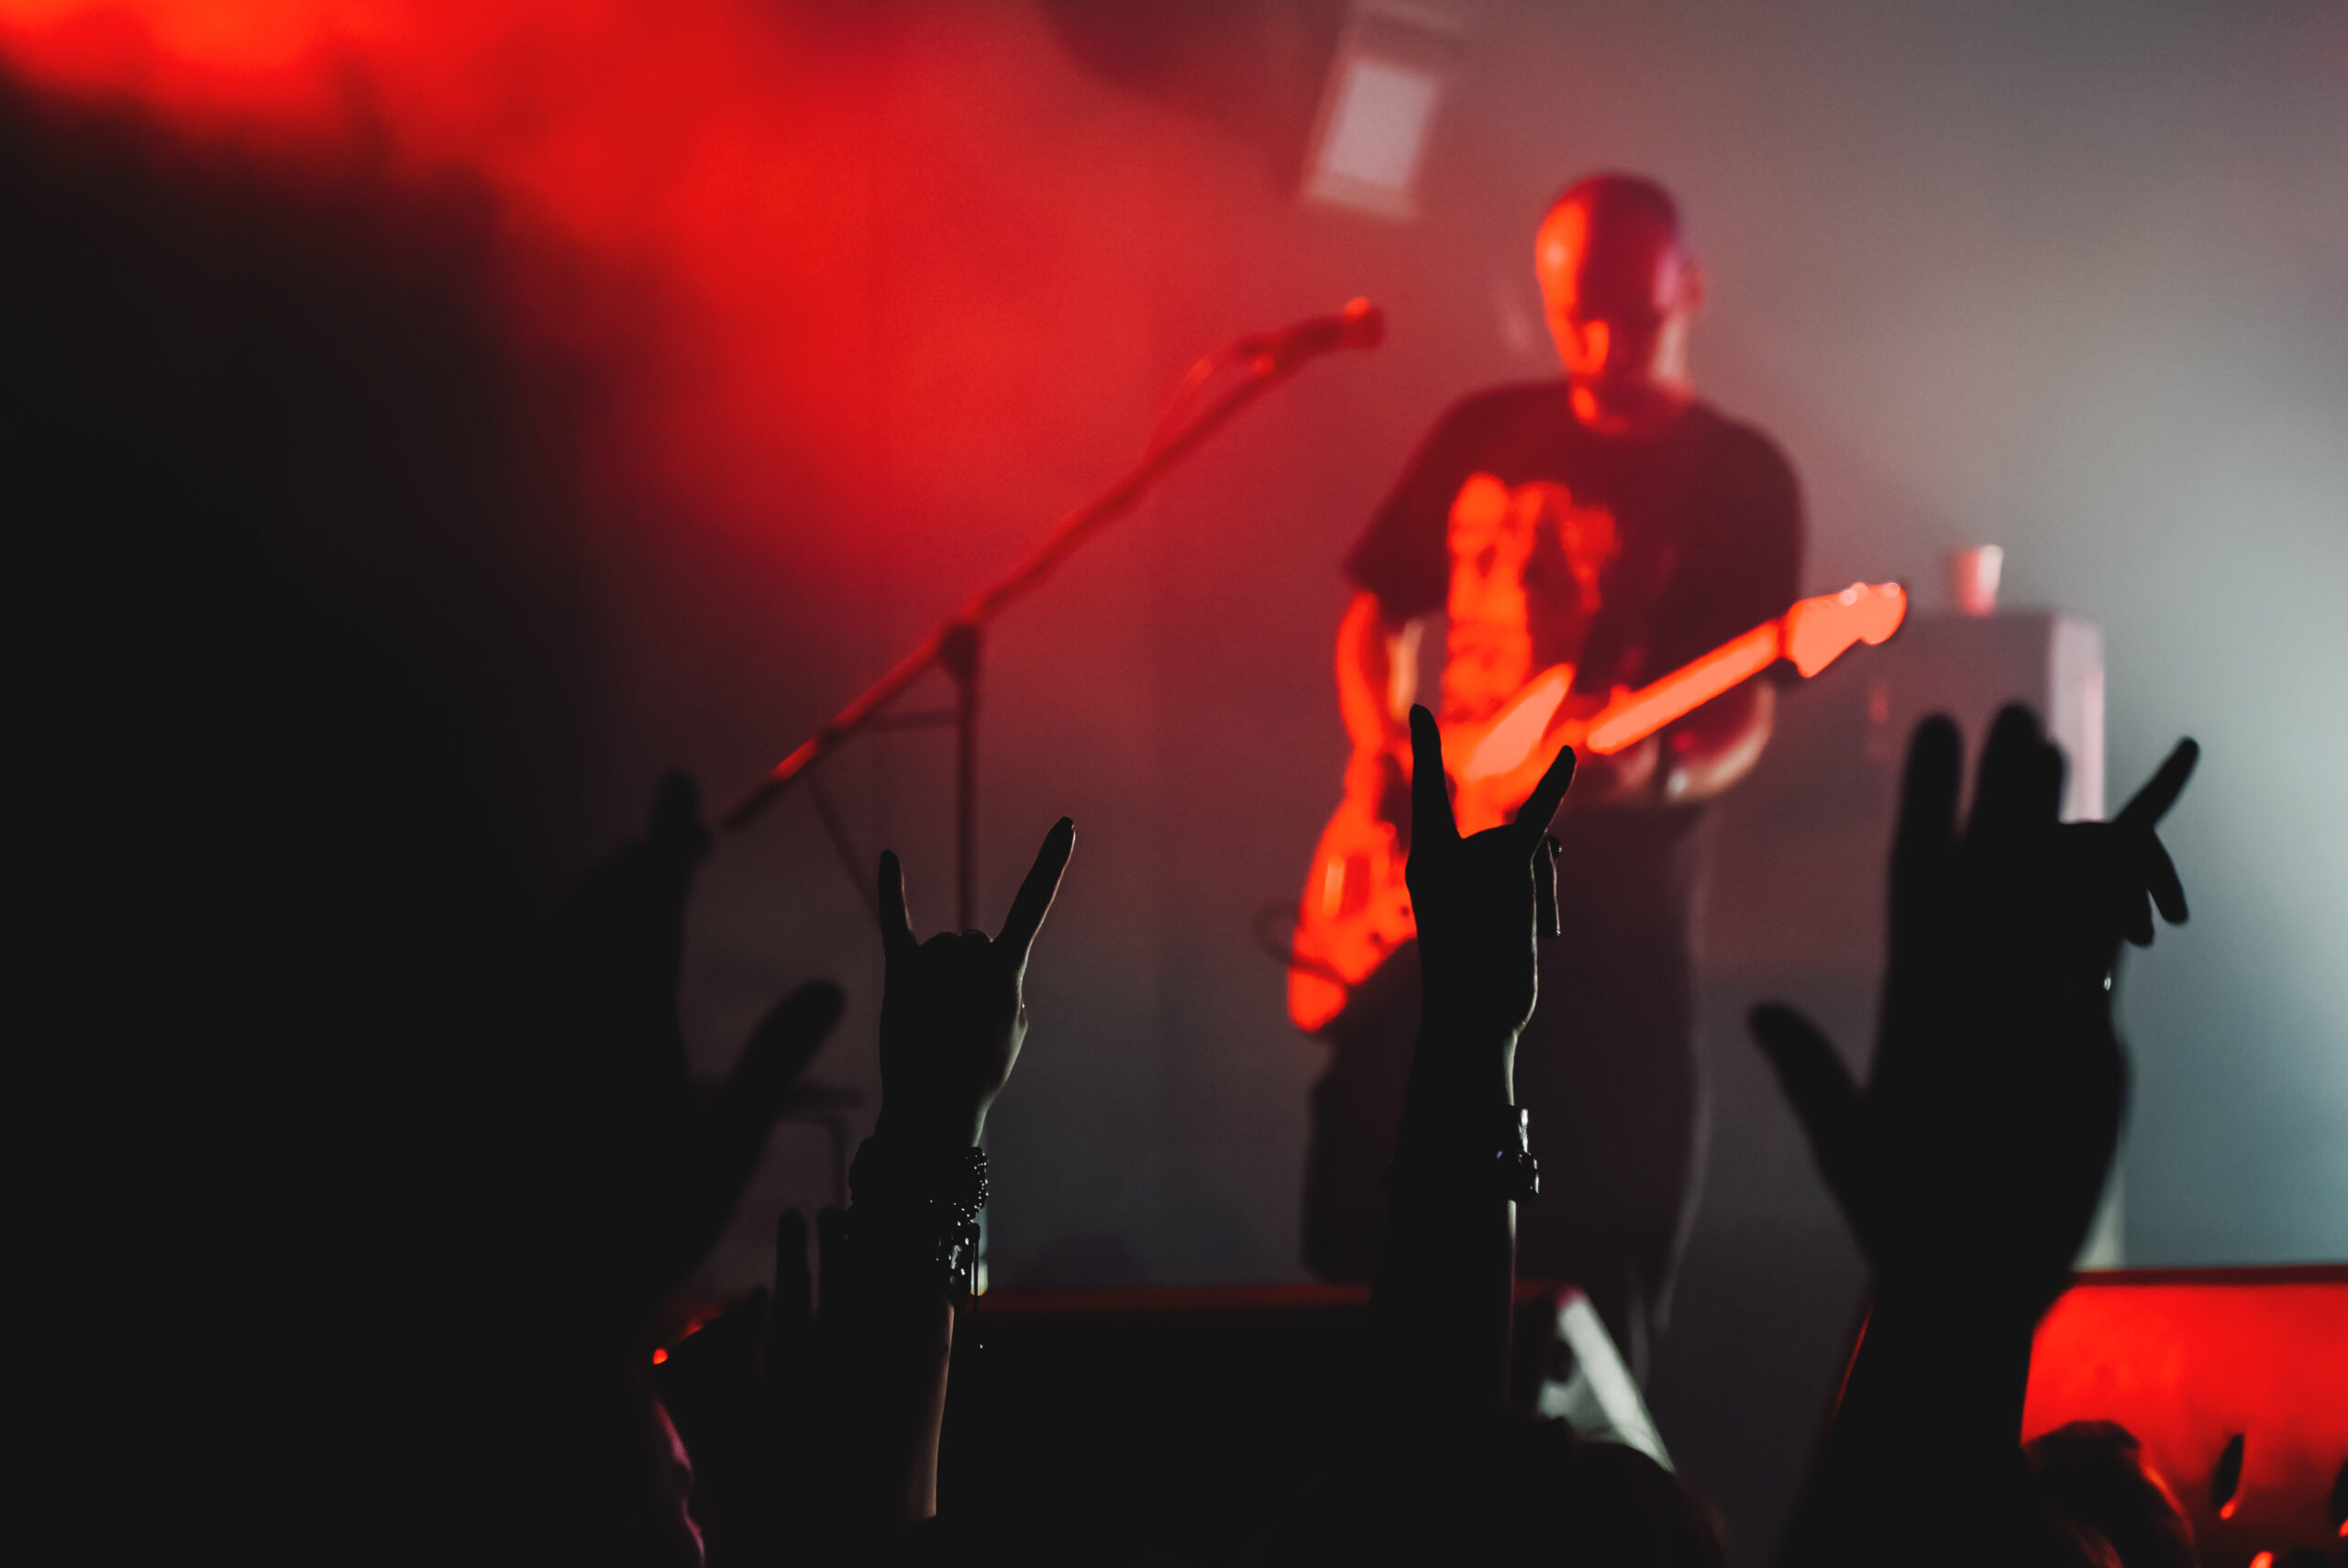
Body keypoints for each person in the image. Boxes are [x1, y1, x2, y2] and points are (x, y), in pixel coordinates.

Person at [1306, 172, 1804, 1363]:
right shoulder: (1482, 429)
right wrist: (1380, 763)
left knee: (1594, 1266)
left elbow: (1747, 713)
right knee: (1362, 1236)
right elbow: (1377, 615)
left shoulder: (1736, 474)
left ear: (1689, 288)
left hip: (1607, 943)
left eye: (1630, 310)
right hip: (1426, 905)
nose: (1598, 338)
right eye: (1573, 306)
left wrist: (1662, 778)